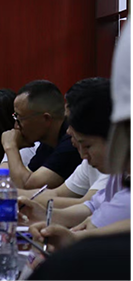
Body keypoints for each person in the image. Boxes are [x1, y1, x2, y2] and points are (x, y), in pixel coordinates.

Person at [25, 25, 130, 280]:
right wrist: (47, 217)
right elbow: (92, 207)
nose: (81, 152)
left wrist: (77, 239)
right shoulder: (120, 171)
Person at [20, 77, 129, 234]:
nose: (69, 130)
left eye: (88, 146)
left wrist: (75, 238)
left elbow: (95, 225)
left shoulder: (114, 166)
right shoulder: (117, 172)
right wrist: (42, 214)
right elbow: (91, 207)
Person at [2, 80, 81, 189]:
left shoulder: (72, 142)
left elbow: (27, 186)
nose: (16, 126)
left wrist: (10, 146)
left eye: (20, 119)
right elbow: (26, 177)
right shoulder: (48, 142)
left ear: (46, 119)